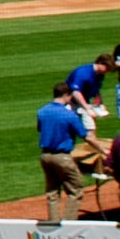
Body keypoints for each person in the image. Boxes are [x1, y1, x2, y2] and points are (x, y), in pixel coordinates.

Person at [37, 84, 88, 224]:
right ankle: (68, 223)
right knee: (76, 190)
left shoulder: (42, 111)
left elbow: (41, 129)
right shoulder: (69, 115)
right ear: (66, 95)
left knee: (52, 192)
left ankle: (53, 222)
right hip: (62, 157)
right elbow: (85, 135)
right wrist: (102, 150)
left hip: (45, 156)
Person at [64, 54, 112, 123]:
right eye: (107, 68)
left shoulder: (100, 74)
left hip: (83, 103)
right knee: (70, 129)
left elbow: (96, 90)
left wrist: (101, 104)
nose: (107, 71)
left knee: (91, 128)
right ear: (100, 63)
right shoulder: (83, 72)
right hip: (70, 103)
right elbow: (76, 92)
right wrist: (87, 108)